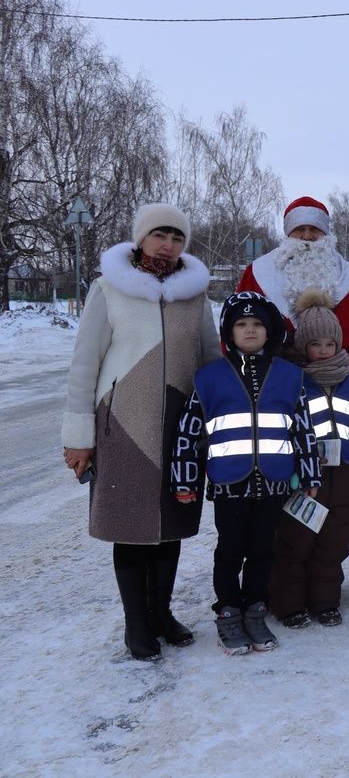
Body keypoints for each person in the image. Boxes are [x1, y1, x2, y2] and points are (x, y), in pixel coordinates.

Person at [61, 204, 220, 662]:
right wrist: (79, 435)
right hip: (122, 424)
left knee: (171, 526)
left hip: (179, 428)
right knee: (130, 528)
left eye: (176, 237)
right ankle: (137, 623)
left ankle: (162, 613)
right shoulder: (108, 290)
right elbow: (84, 366)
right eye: (160, 235)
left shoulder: (195, 297)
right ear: (141, 239)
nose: (168, 244)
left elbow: (210, 364)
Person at [171, 291, 323, 655]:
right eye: (241, 324)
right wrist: (184, 479)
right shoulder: (209, 378)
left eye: (257, 324)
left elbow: (303, 429)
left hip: (273, 482)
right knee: (229, 551)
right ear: (229, 332)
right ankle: (228, 610)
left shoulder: (290, 376)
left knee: (261, 550)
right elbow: (188, 432)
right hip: (229, 484)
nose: (250, 330)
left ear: (270, 331)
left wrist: (310, 475)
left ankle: (255, 606)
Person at [269, 289, 349, 629]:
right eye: (315, 345)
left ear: (339, 346)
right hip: (306, 477)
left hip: (344, 476)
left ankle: (326, 602)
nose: (323, 351)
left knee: (333, 540)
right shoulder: (293, 382)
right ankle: (288, 604)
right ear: (304, 346)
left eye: (329, 344)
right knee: (296, 541)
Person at [237, 195, 349, 398]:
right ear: (288, 234)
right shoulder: (257, 274)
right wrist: (248, 384)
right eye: (299, 229)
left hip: (337, 392)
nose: (307, 236)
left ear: (325, 234)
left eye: (314, 229)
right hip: (271, 393)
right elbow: (235, 331)